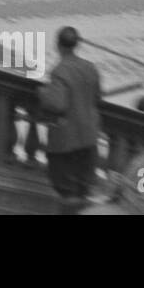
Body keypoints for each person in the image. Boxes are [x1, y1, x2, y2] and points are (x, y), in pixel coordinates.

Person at [38, 26, 102, 211]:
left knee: (67, 192)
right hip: (89, 138)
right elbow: (97, 97)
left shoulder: (60, 71)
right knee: (83, 190)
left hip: (66, 142)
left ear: (58, 45)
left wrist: (43, 93)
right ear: (77, 45)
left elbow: (57, 104)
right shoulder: (91, 68)